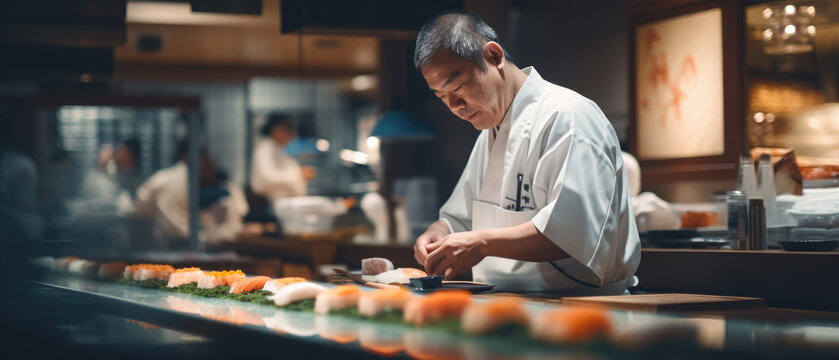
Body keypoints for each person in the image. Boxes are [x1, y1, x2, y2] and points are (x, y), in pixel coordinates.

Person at [412, 11, 641, 295]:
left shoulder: (568, 116)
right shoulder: (489, 133)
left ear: (494, 57)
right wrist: (440, 231)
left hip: (582, 305)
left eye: (457, 87)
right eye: (442, 97)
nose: (455, 105)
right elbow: (463, 218)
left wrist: (480, 243)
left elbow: (570, 231)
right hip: (504, 304)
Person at [135, 142, 248, 248]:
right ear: (187, 156)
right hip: (187, 244)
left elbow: (139, 208)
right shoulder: (191, 179)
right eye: (205, 162)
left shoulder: (161, 177)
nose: (209, 167)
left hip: (169, 244)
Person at [250, 114, 316, 204]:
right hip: (265, 202)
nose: (292, 137)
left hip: (281, 201)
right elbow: (268, 177)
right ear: (277, 129)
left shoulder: (279, 149)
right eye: (289, 132)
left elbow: (291, 169)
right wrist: (298, 174)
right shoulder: (265, 148)